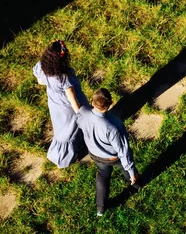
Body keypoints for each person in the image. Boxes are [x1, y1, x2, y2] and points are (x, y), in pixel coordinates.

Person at [76, 88, 139, 216]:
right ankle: (136, 184)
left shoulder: (83, 113)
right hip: (112, 158)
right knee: (125, 169)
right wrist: (131, 171)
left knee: (103, 176)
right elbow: (123, 151)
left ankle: (100, 208)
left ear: (92, 102)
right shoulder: (114, 125)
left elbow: (79, 119)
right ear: (110, 103)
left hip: (95, 155)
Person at [33, 39, 89, 168]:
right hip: (67, 106)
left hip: (54, 102)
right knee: (70, 130)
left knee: (61, 129)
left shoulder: (41, 66)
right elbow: (72, 99)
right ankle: (64, 157)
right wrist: (81, 115)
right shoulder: (63, 77)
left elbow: (40, 81)